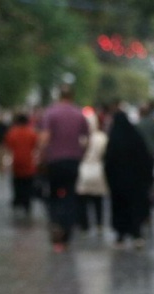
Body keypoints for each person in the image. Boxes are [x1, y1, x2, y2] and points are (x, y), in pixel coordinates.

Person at [39, 86, 90, 252]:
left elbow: (44, 138)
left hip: (54, 161)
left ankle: (56, 224)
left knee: (53, 195)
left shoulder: (51, 113)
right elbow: (87, 138)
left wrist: (42, 155)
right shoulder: (78, 114)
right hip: (73, 161)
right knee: (70, 195)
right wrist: (81, 154)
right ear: (72, 96)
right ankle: (67, 231)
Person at [104, 110, 154, 248]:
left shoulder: (114, 139)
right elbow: (146, 159)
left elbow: (108, 161)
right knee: (135, 207)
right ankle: (136, 233)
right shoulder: (136, 136)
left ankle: (120, 234)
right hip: (136, 183)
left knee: (120, 208)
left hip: (118, 183)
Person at [76, 113, 108, 234]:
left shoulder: (81, 138)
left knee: (83, 200)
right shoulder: (102, 137)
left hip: (84, 169)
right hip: (98, 170)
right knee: (98, 200)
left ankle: (85, 225)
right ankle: (99, 223)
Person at [4, 113, 38, 216]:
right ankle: (27, 203)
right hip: (29, 162)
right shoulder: (31, 133)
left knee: (17, 183)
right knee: (28, 184)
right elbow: (36, 146)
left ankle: (18, 200)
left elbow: (8, 146)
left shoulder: (12, 133)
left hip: (17, 162)